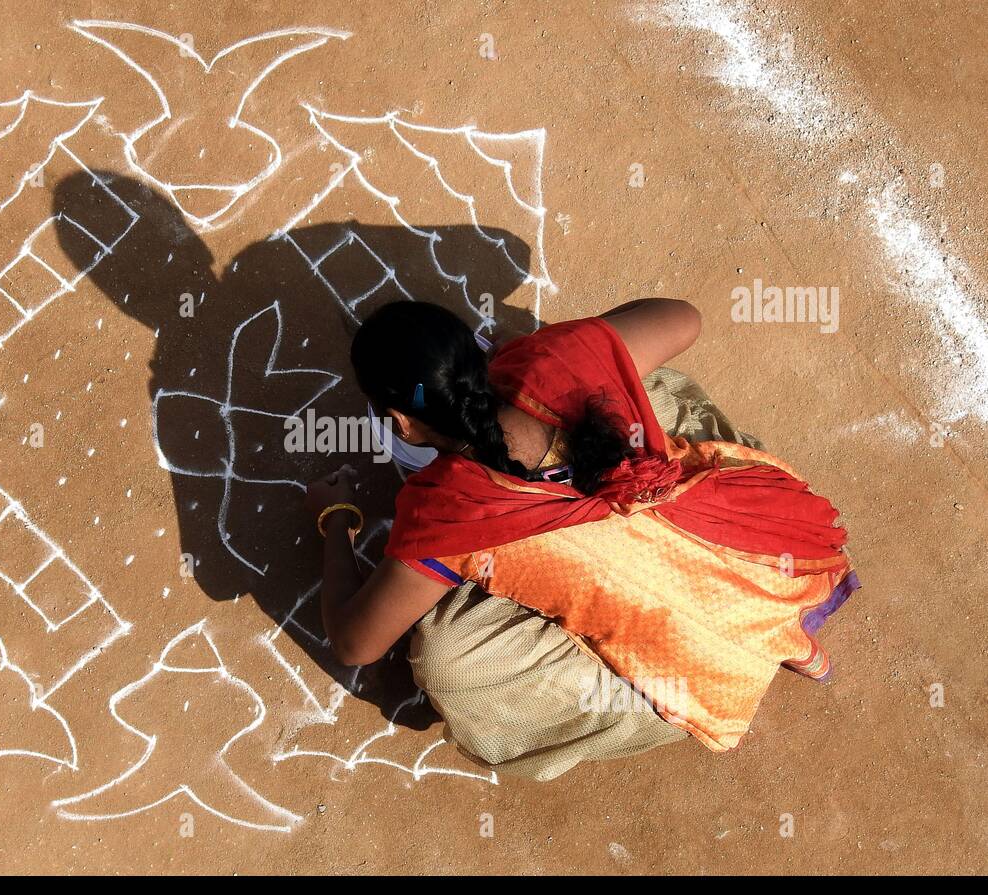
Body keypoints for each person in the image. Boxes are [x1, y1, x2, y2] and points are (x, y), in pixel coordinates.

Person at [305, 299, 857, 780]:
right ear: (479, 356)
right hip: (779, 542)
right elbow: (683, 318)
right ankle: (796, 634)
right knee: (654, 392)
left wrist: (335, 519)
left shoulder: (448, 510)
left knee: (448, 659)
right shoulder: (558, 360)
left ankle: (701, 676)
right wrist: (576, 342)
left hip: (708, 664)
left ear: (403, 426)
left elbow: (358, 644)